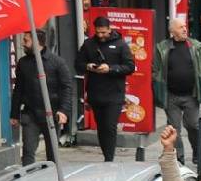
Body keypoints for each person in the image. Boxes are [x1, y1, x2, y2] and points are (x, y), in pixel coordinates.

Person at [76, 16, 135, 161]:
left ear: (110, 29)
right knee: (101, 127)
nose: (101, 35)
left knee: (110, 126)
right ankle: (106, 155)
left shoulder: (120, 45)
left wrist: (110, 69)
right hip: (96, 93)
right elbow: (77, 64)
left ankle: (109, 158)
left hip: (114, 94)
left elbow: (130, 66)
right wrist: (87, 66)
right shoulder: (89, 44)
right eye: (98, 32)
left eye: (104, 32)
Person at [153, 19, 201, 167]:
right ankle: (179, 159)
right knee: (174, 129)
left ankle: (198, 153)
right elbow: (156, 70)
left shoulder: (195, 46)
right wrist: (157, 85)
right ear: (172, 31)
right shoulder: (162, 48)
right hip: (171, 96)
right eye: (181, 27)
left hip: (191, 95)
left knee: (193, 125)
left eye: (185, 26)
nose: (185, 29)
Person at [10, 29, 73, 165]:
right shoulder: (23, 63)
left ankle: (51, 180)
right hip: (30, 113)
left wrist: (63, 110)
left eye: (26, 40)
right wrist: (14, 114)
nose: (23, 43)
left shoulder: (57, 62)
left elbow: (67, 87)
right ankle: (28, 180)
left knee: (52, 153)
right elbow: (18, 89)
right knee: (28, 151)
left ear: (37, 42)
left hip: (51, 114)